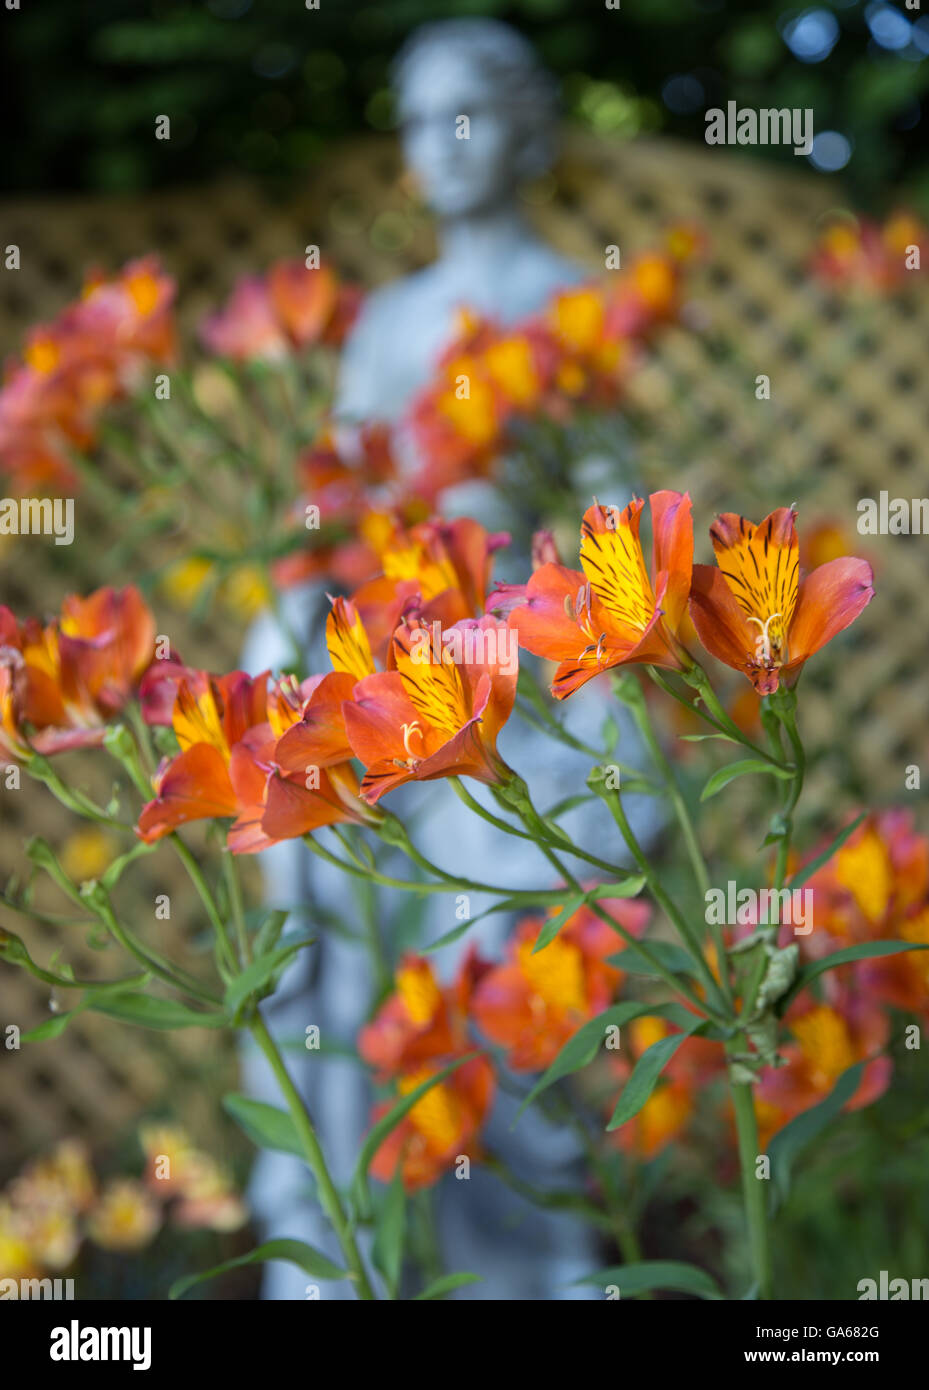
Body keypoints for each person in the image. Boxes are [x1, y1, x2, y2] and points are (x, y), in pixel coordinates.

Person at [241, 18, 660, 1300]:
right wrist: (285, 618)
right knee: (358, 979)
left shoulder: (562, 310)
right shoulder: (386, 319)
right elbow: (341, 506)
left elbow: (610, 528)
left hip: (516, 698)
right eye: (417, 120)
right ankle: (364, 1265)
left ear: (527, 128)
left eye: (465, 113)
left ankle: (525, 1271)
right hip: (391, 685)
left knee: (489, 996)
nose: (440, 144)